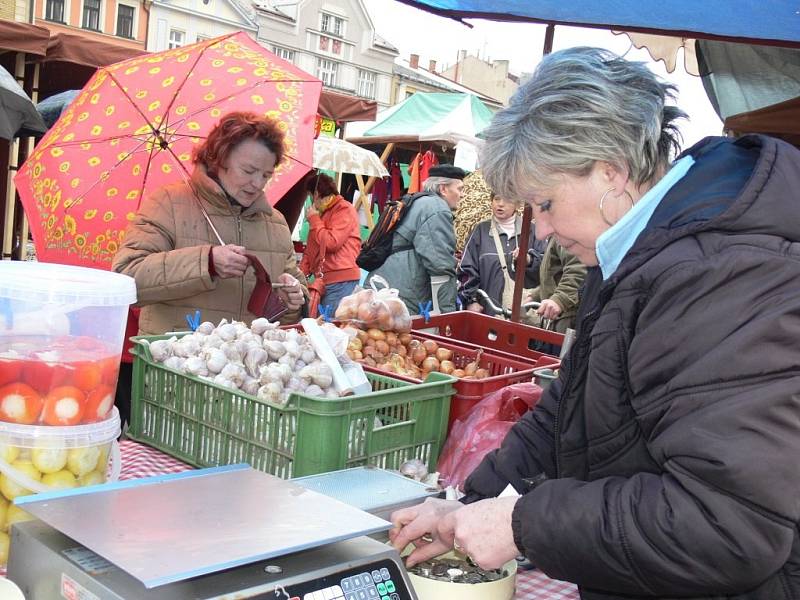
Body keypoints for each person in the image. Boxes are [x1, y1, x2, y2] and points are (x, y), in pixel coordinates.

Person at [389, 47, 800, 600]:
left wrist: (522, 524)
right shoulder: (642, 250)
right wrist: (467, 507)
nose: (545, 230)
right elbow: (570, 412)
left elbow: (726, 525)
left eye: (547, 203)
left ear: (611, 171)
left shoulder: (718, 273)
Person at [112, 110, 307, 336]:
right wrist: (206, 262)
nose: (257, 184)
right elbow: (127, 277)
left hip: (246, 366)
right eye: (249, 171)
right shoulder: (168, 203)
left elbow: (287, 312)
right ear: (218, 159)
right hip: (175, 362)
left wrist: (290, 301)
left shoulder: (276, 223)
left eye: (266, 175)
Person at [367, 164, 465, 315]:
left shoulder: (419, 201)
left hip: (383, 286)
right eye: (460, 189)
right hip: (400, 296)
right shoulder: (437, 209)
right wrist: (448, 316)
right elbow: (440, 265)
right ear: (443, 189)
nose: (463, 194)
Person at [458, 192, 546, 316]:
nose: (500, 204)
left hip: (525, 313)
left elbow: (547, 269)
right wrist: (470, 301)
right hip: (488, 311)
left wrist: (529, 260)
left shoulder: (533, 231)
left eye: (507, 199)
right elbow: (466, 269)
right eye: (496, 199)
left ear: (517, 204)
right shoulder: (480, 231)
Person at [299, 172, 361, 313]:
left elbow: (332, 243)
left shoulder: (344, 209)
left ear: (316, 193)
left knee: (331, 327)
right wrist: (299, 276)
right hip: (324, 280)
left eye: (310, 196)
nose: (310, 201)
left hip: (341, 281)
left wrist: (314, 220)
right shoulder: (322, 213)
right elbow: (311, 250)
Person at [524, 236, 586, 333]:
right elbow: (554, 276)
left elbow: (578, 270)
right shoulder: (556, 234)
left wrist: (559, 300)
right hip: (560, 316)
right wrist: (533, 297)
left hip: (569, 317)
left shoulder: (566, 232)